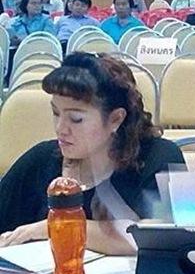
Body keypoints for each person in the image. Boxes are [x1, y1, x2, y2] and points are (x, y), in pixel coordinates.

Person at [0, 53, 183, 251]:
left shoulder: (159, 157)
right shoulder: (41, 160)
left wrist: (56, 227)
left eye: (76, 119)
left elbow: (158, 235)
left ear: (116, 119)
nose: (61, 128)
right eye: (56, 113)